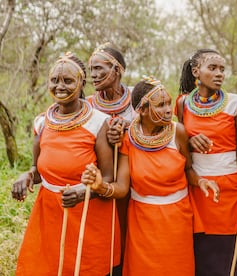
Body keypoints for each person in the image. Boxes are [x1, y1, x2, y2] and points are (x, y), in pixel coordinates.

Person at [81, 76, 219, 275]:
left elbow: (188, 170)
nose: (168, 110)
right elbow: (121, 187)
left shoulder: (177, 132)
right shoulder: (128, 139)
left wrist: (201, 181)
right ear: (142, 110)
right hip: (142, 221)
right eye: (160, 105)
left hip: (176, 220)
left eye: (169, 103)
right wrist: (101, 186)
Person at [11, 52, 120, 275]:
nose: (60, 86)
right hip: (49, 213)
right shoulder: (42, 122)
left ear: (81, 83)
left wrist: (84, 191)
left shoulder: (99, 122)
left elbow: (109, 177)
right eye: (55, 80)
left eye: (68, 80)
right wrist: (27, 175)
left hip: (88, 215)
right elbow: (38, 171)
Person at [176, 49, 237, 276]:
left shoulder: (236, 103)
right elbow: (179, 141)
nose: (219, 73)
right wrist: (191, 141)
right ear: (196, 72)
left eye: (222, 69)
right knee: (202, 255)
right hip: (196, 186)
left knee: (231, 257)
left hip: (229, 191)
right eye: (212, 68)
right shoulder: (182, 104)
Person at [88, 43, 136, 270]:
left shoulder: (139, 96)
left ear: (117, 69)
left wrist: (128, 129)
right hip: (100, 180)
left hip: (134, 180)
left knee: (129, 234)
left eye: (99, 69)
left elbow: (159, 128)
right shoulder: (87, 104)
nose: (94, 75)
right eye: (91, 70)